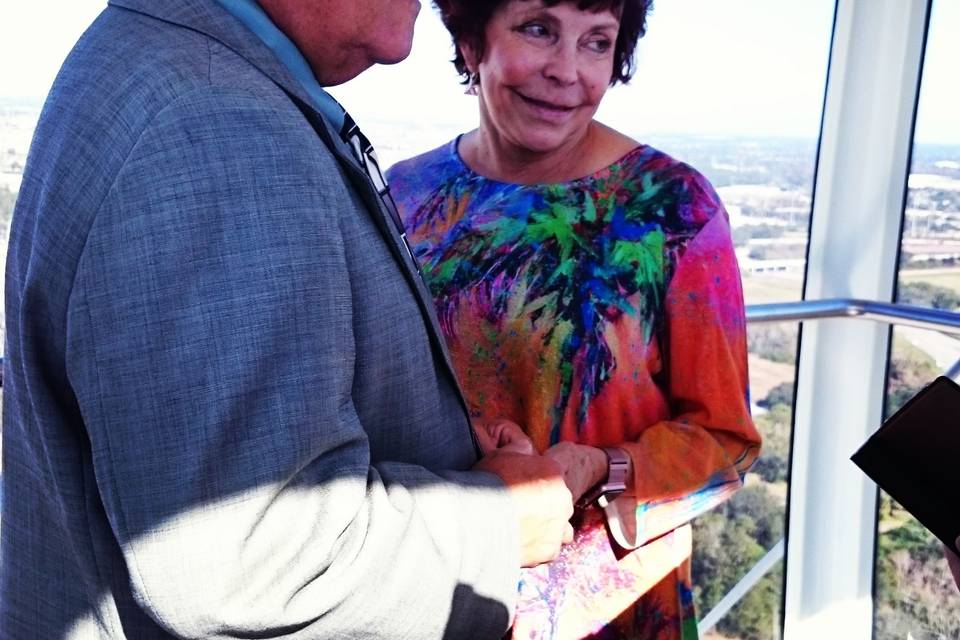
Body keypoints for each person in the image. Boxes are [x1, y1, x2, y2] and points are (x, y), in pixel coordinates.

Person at [0, 0, 577, 637]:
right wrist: (497, 522)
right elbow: (250, 564)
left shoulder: (159, 61)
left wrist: (441, 440)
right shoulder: (217, 124)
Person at [386, 0, 763, 637]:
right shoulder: (405, 194)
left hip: (603, 610)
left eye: (597, 42)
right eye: (539, 29)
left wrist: (604, 467)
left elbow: (727, 442)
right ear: (472, 41)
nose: (568, 70)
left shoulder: (671, 209)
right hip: (436, 588)